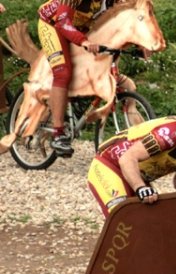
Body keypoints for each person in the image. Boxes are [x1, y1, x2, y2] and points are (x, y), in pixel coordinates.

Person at [87, 78, 176, 217]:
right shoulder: (173, 133)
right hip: (109, 165)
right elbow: (127, 158)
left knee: (150, 224)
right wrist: (140, 188)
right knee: (124, 218)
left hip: (135, 173)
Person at [38, 0, 116, 157]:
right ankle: (58, 134)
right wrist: (84, 41)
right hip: (54, 25)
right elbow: (62, 22)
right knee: (63, 72)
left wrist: (142, 45)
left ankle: (72, 101)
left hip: (79, 26)